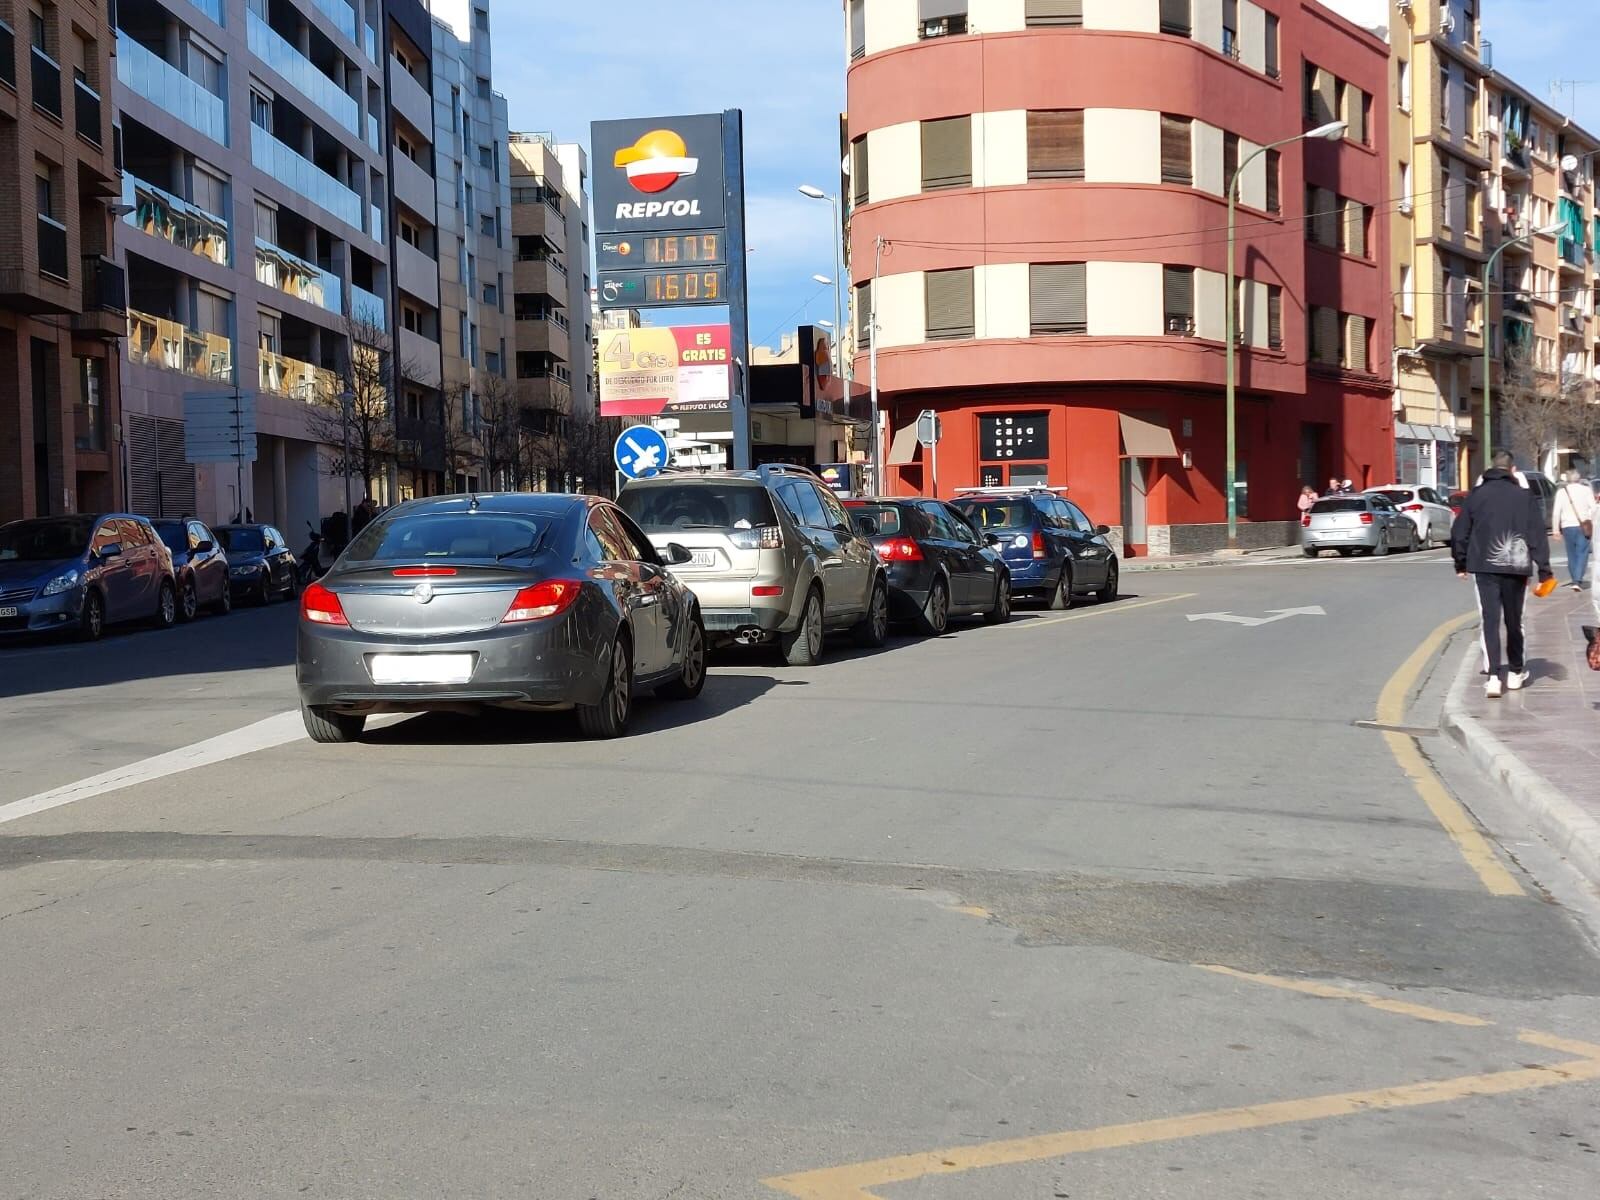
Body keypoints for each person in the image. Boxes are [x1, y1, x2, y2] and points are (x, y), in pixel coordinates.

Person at [1452, 450, 1554, 697]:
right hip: (1516, 566)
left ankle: (1495, 676)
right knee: (1514, 620)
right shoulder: (1524, 496)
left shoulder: (1476, 496)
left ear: (1490, 468)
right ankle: (1516, 672)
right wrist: (1544, 570)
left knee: (1490, 620)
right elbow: (1537, 534)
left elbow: (1459, 532)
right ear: (1512, 470)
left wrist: (1461, 563)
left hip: (1484, 566)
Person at [1550, 469, 1595, 591]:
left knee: (1571, 553)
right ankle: (1577, 580)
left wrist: (1555, 530)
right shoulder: (1586, 490)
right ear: (1579, 478)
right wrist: (1592, 520)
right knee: (1582, 552)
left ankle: (1575, 578)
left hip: (1567, 526)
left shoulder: (1561, 492)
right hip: (1583, 525)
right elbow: (1594, 508)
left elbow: (1556, 513)